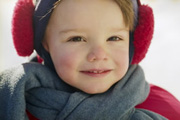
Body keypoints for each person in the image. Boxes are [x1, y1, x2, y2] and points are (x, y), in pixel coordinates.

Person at [0, 0, 179, 119]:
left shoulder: (167, 110)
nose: (99, 54)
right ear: (44, 43)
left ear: (135, 41)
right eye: (77, 39)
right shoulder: (11, 101)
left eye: (114, 38)